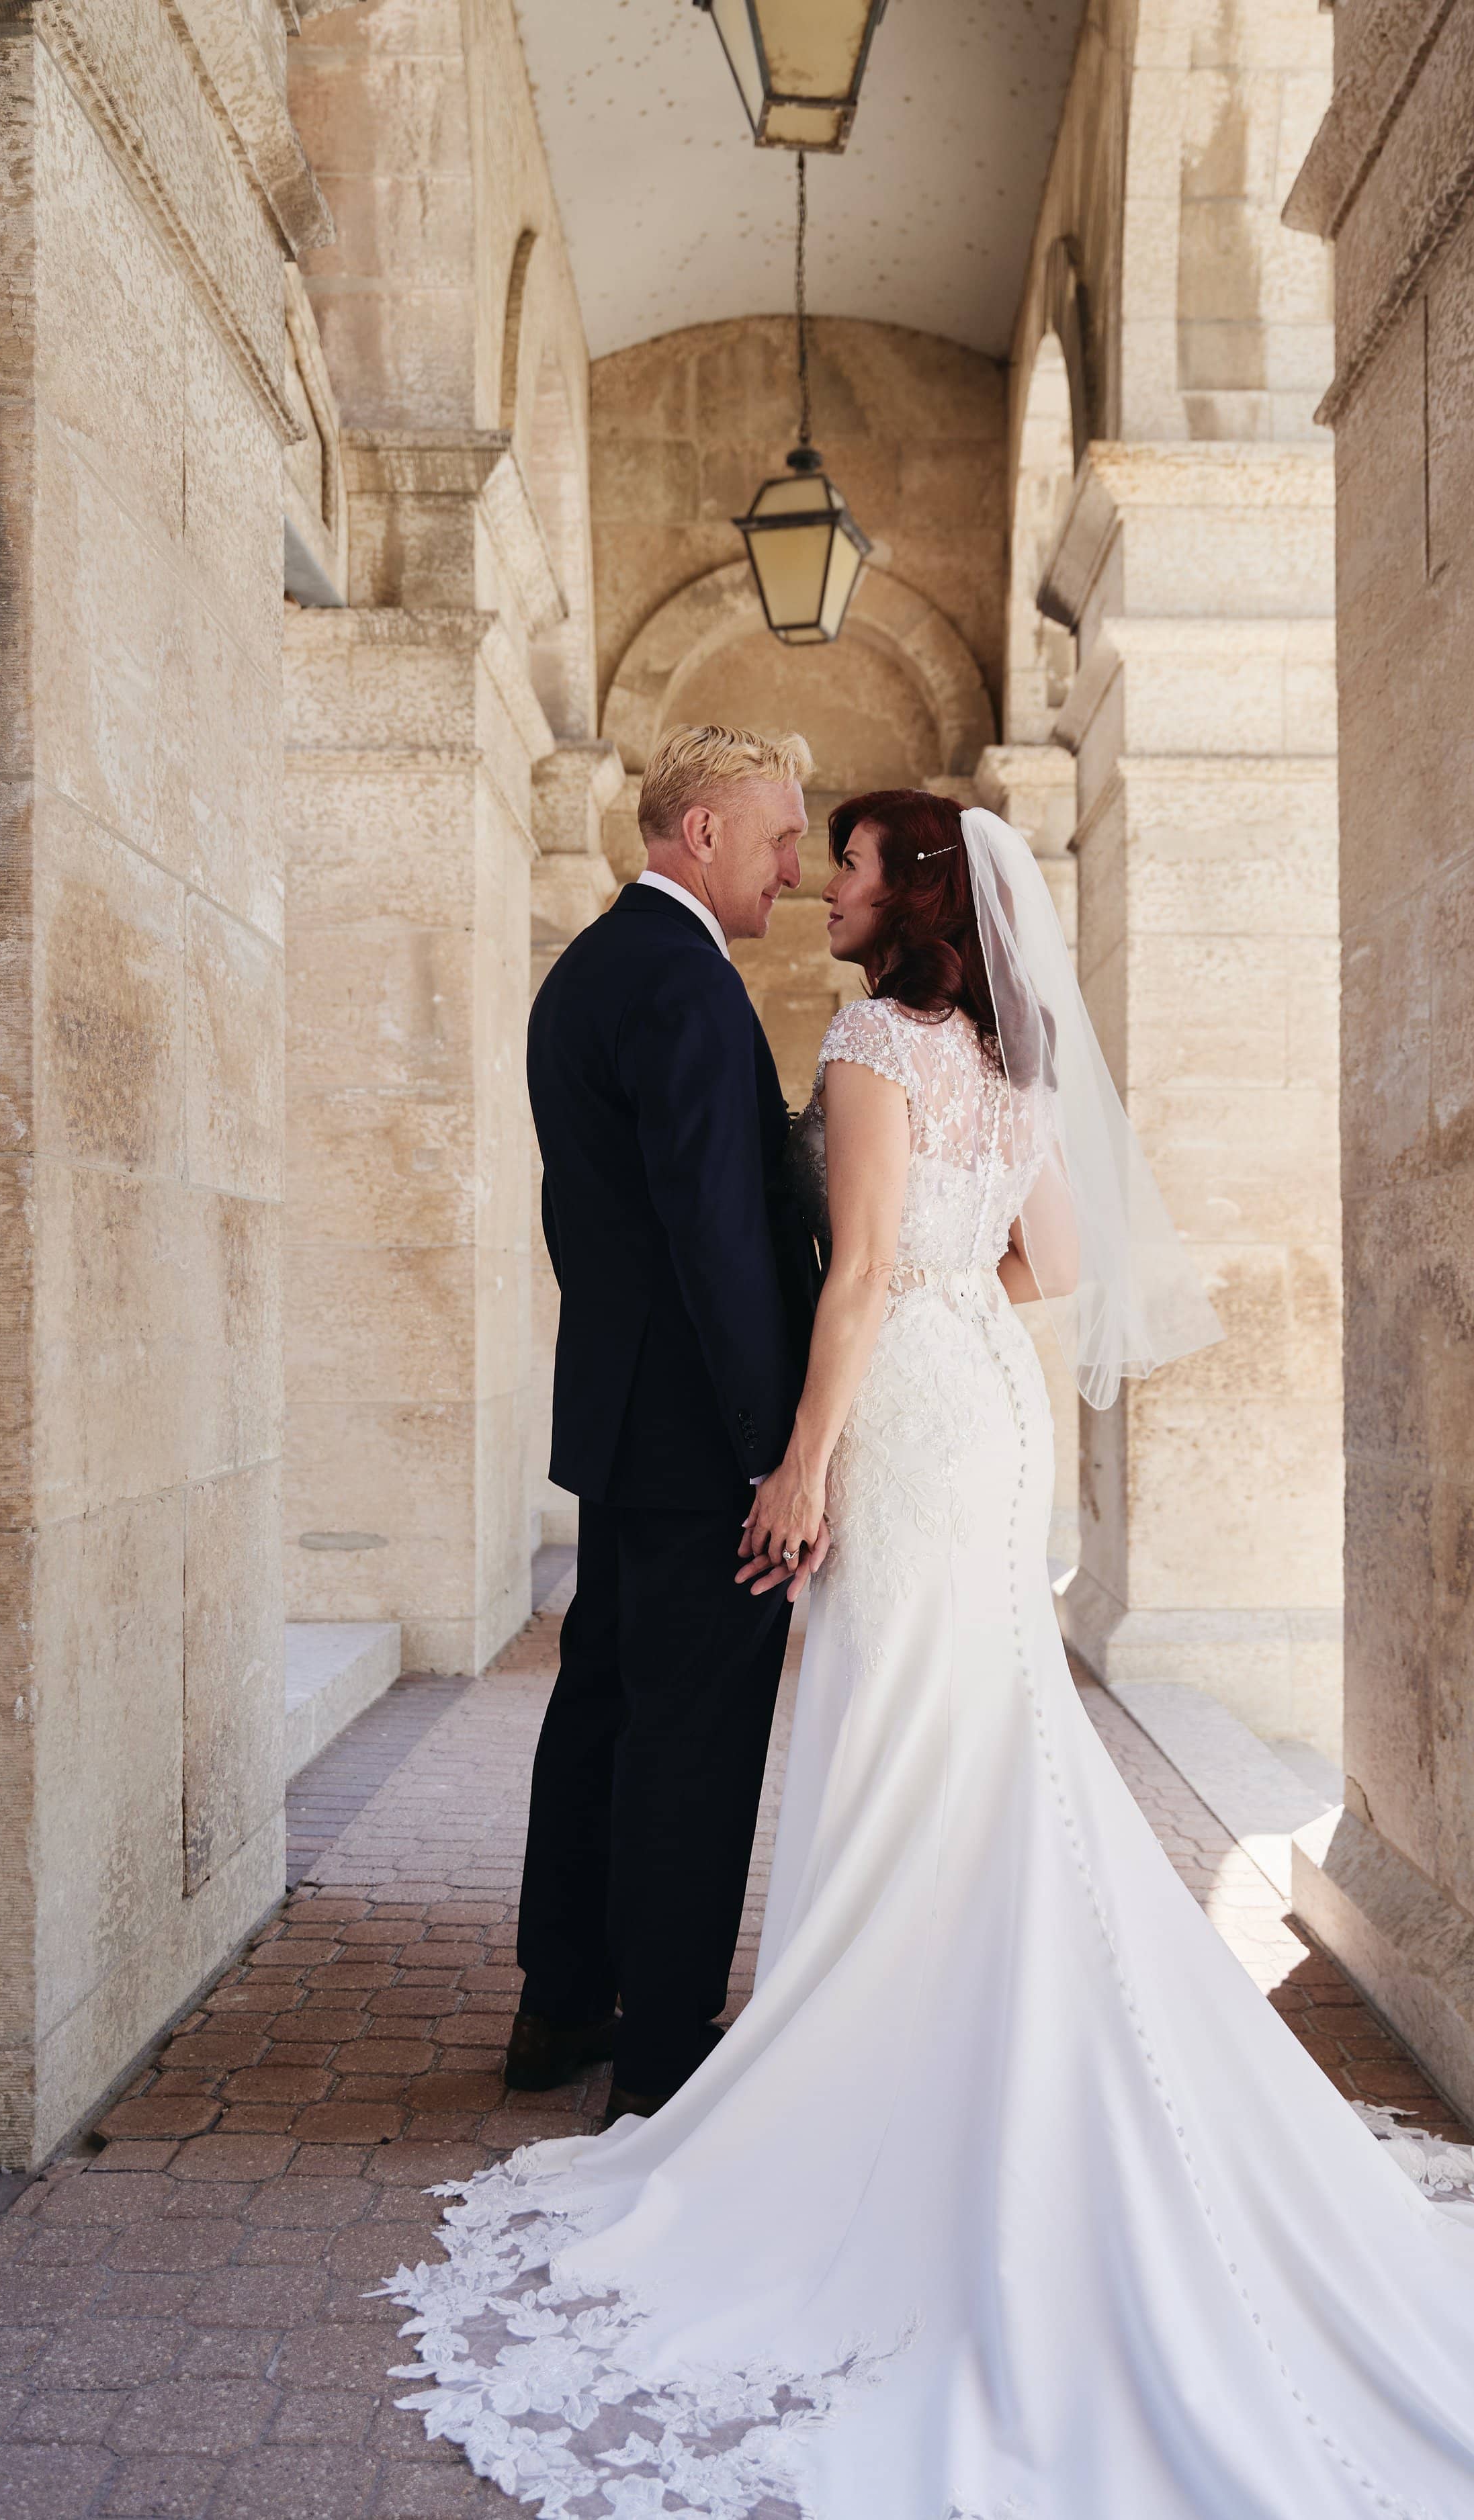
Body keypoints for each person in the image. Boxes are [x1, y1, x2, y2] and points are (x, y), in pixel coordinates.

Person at [392, 791, 1474, 2520]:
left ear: (906, 893)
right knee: (986, 1725)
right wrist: (946, 1270)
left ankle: (881, 2047)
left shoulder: (862, 1038)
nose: (824, 882)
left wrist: (800, 1458)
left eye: (847, 860)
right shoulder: (1012, 1051)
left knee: (893, 1731)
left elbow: (843, 1289)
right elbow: (1050, 1262)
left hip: (905, 1419)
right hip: (987, 1405)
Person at [507, 724, 822, 2126]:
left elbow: (584, 1216)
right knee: (690, 1733)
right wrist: (775, 1447)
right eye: (777, 837)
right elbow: (714, 1235)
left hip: (625, 1416)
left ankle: (561, 2002)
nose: (793, 868)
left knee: (603, 1705)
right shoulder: (688, 988)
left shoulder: (581, 975)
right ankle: (660, 2049)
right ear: (699, 833)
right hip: (703, 1433)